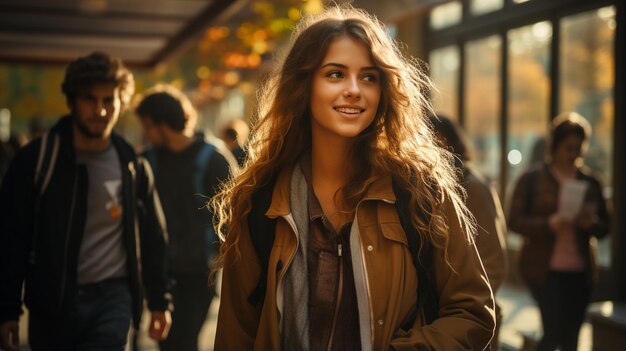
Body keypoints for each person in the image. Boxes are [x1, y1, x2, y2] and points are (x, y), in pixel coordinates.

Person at [212, 6, 495, 350]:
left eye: (368, 77)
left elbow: (473, 311)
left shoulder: (420, 190)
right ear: (304, 85)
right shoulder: (260, 198)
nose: (354, 89)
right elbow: (236, 333)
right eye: (335, 74)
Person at [0, 52, 171, 351]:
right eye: (90, 99)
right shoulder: (38, 160)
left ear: (120, 104)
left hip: (113, 299)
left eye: (109, 101)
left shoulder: (132, 165)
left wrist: (160, 302)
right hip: (53, 304)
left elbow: (153, 236)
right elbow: (11, 238)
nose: (100, 110)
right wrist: (6, 308)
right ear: (72, 101)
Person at [134, 85, 235, 351]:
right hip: (160, 271)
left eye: (147, 125)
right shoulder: (146, 161)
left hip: (200, 271)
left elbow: (234, 214)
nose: (145, 133)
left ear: (162, 124)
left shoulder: (213, 158)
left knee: (186, 339)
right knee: (167, 343)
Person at [508, 112, 610, 351]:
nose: (573, 154)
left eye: (578, 148)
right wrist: (548, 224)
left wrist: (590, 223)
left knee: (572, 338)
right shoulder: (533, 179)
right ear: (555, 146)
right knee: (552, 333)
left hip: (580, 270)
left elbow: (605, 227)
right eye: (568, 147)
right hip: (545, 270)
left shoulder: (590, 181)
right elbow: (514, 221)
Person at [429, 114, 508, 351]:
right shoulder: (430, 185)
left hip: (463, 320)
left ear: (446, 141)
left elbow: (493, 258)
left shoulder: (471, 186)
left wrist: (469, 308)